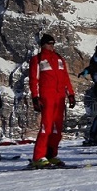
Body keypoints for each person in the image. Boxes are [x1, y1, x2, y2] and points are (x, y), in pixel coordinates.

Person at [29, 33, 77, 168]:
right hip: (47, 97)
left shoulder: (59, 58)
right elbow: (34, 80)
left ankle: (51, 154)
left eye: (53, 43)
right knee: (46, 128)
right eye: (49, 43)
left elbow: (65, 78)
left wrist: (71, 94)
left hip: (60, 97)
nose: (52, 46)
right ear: (43, 45)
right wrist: (35, 97)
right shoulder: (38, 59)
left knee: (57, 129)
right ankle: (38, 157)